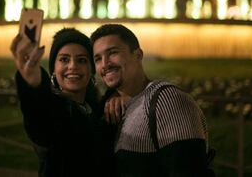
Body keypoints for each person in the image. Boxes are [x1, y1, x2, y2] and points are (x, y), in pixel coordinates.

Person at [91, 24, 213, 177]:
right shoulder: (118, 109)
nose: (105, 64)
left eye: (113, 53)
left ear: (138, 55)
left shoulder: (167, 100)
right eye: (98, 59)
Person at [10, 28, 116, 177]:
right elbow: (39, 121)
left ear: (91, 69)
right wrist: (33, 86)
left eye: (81, 60)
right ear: (53, 69)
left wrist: (119, 94)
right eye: (64, 59)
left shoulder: (99, 110)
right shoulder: (53, 111)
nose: (73, 66)